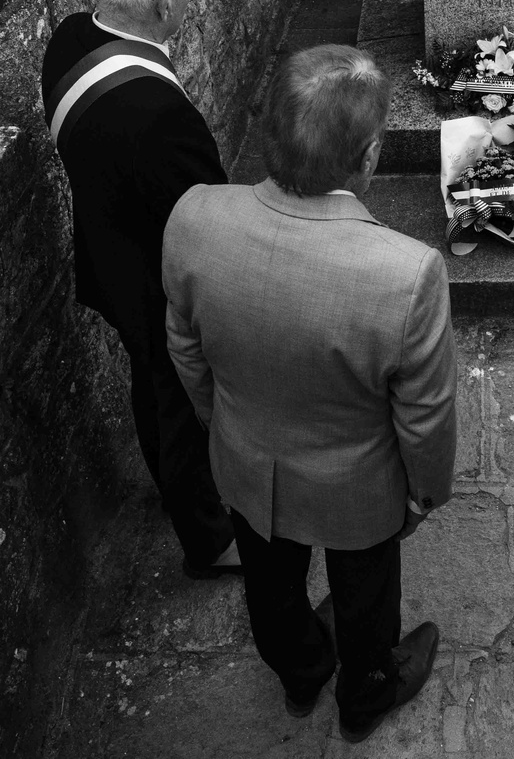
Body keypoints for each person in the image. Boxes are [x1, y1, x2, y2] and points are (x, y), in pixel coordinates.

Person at [162, 44, 457, 739]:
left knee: (269, 587)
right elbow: (425, 417)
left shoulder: (195, 217)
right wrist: (424, 493)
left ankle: (300, 673)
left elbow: (185, 349)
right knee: (367, 599)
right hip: (357, 486)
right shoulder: (405, 274)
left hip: (245, 460)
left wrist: (228, 422)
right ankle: (365, 695)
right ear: (371, 155)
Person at [41, 0, 238, 577]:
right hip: (160, 283)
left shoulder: (69, 39)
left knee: (150, 389)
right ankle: (207, 538)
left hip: (109, 255)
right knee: (177, 404)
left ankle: (171, 485)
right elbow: (207, 220)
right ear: (166, 4)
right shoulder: (159, 116)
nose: (196, 1)